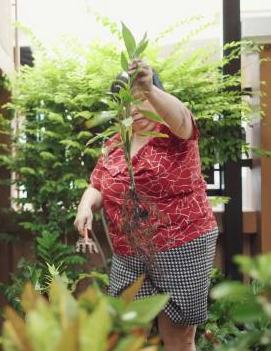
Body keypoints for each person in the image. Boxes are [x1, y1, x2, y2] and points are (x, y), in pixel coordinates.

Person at [73, 58, 218, 351]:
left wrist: (149, 87)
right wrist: (85, 206)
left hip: (181, 244)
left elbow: (183, 118)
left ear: (155, 95)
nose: (135, 110)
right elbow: (98, 184)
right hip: (130, 251)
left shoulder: (175, 134)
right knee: (129, 333)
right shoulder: (117, 142)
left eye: (142, 100)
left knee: (177, 336)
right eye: (127, 104)